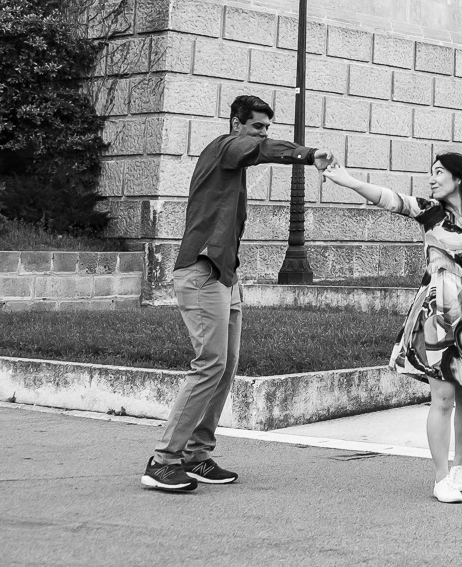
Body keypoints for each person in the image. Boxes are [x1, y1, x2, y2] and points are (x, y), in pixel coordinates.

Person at [142, 93, 331, 493]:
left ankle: (196, 454)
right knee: (209, 363)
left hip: (225, 275)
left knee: (225, 366)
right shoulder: (226, 147)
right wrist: (306, 153)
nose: (262, 133)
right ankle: (162, 461)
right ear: (236, 125)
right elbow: (258, 149)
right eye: (256, 126)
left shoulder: (233, 161)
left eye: (266, 127)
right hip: (201, 272)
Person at [320, 152, 462, 503]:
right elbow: (389, 198)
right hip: (437, 308)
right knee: (443, 397)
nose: (432, 179)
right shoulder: (430, 211)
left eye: (439, 173)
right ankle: (440, 479)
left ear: (460, 179)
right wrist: (345, 179)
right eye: (431, 174)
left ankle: (459, 466)